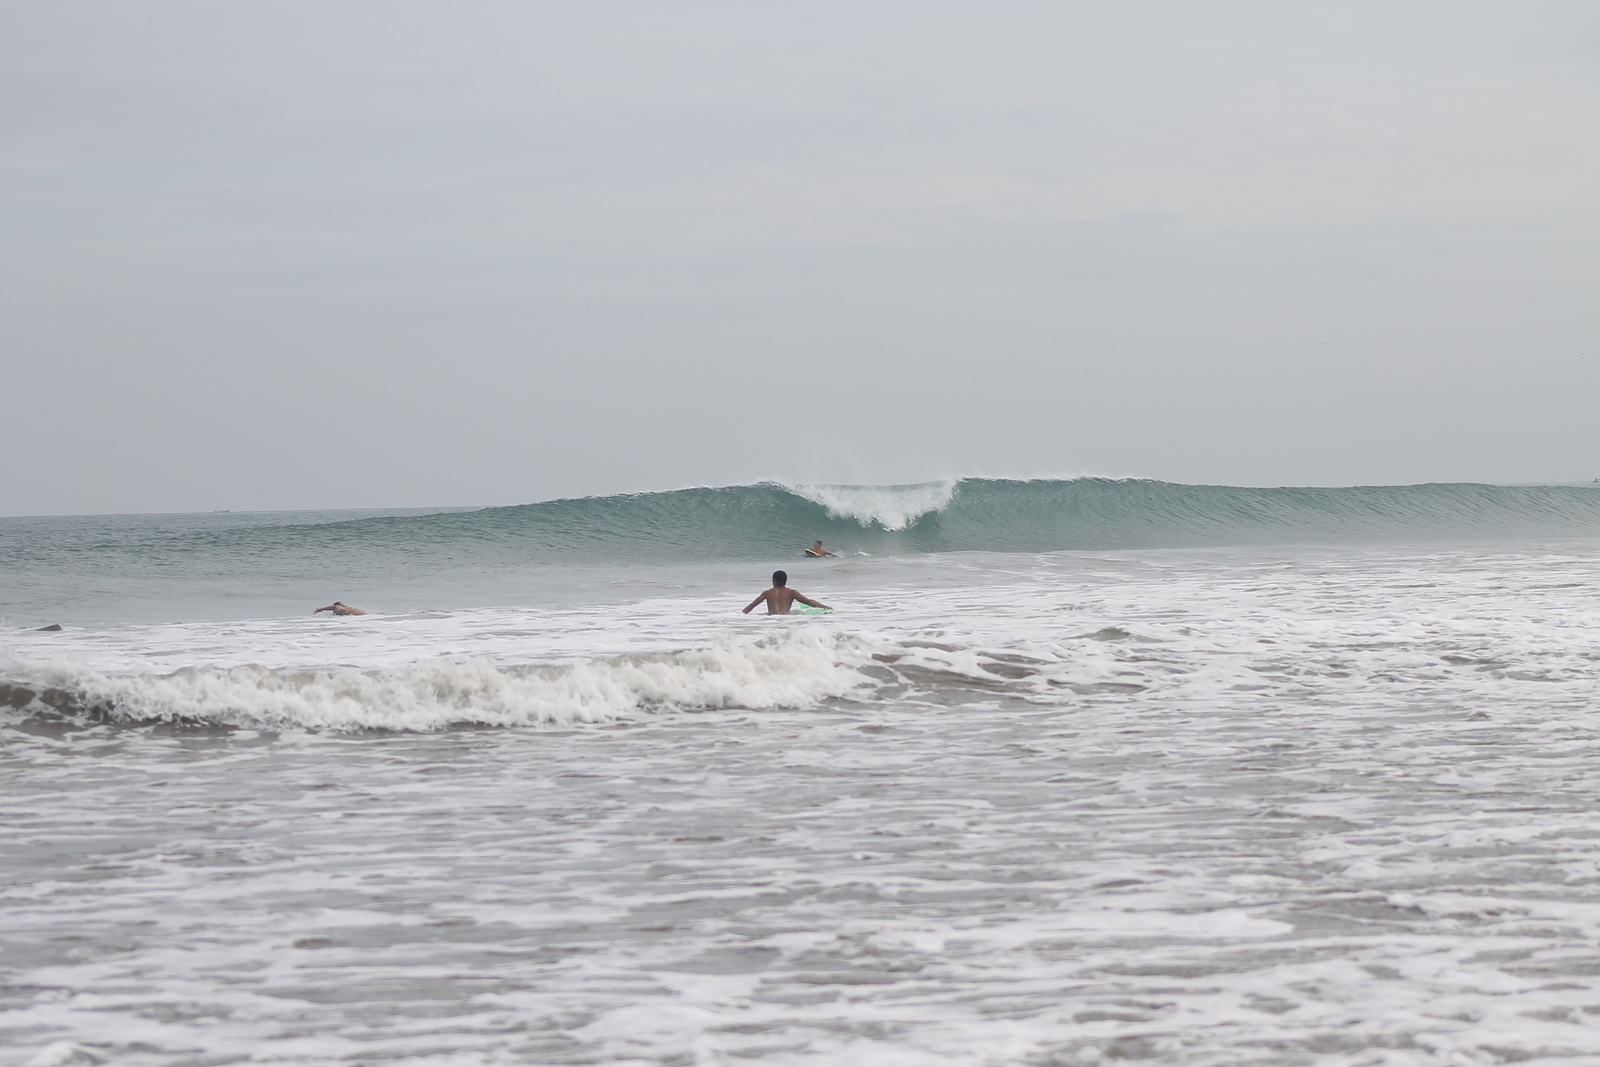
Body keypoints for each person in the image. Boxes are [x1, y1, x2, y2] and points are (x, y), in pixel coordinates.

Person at [742, 571, 831, 615]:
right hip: (785, 620)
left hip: (771, 621)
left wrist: (741, 615)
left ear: (775, 581)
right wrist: (826, 607)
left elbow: (752, 605)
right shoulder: (792, 592)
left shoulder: (767, 593)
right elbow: (810, 602)